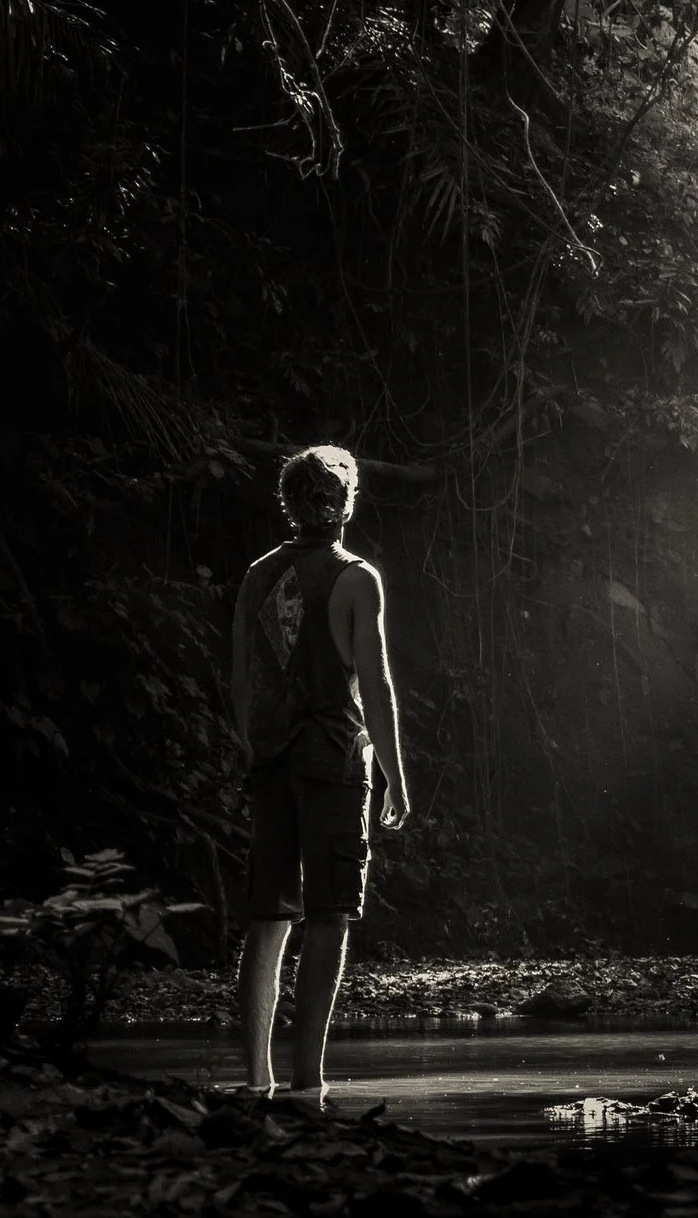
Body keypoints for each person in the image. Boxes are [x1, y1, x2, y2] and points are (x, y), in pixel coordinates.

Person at [228, 445, 410, 1098]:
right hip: (333, 765)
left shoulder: (256, 576)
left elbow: (240, 682)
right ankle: (309, 1082)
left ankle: (257, 1081)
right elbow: (378, 686)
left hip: (273, 762)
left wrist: (252, 749)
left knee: (267, 918)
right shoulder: (357, 578)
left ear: (289, 503)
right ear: (345, 504)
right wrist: (394, 773)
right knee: (328, 916)